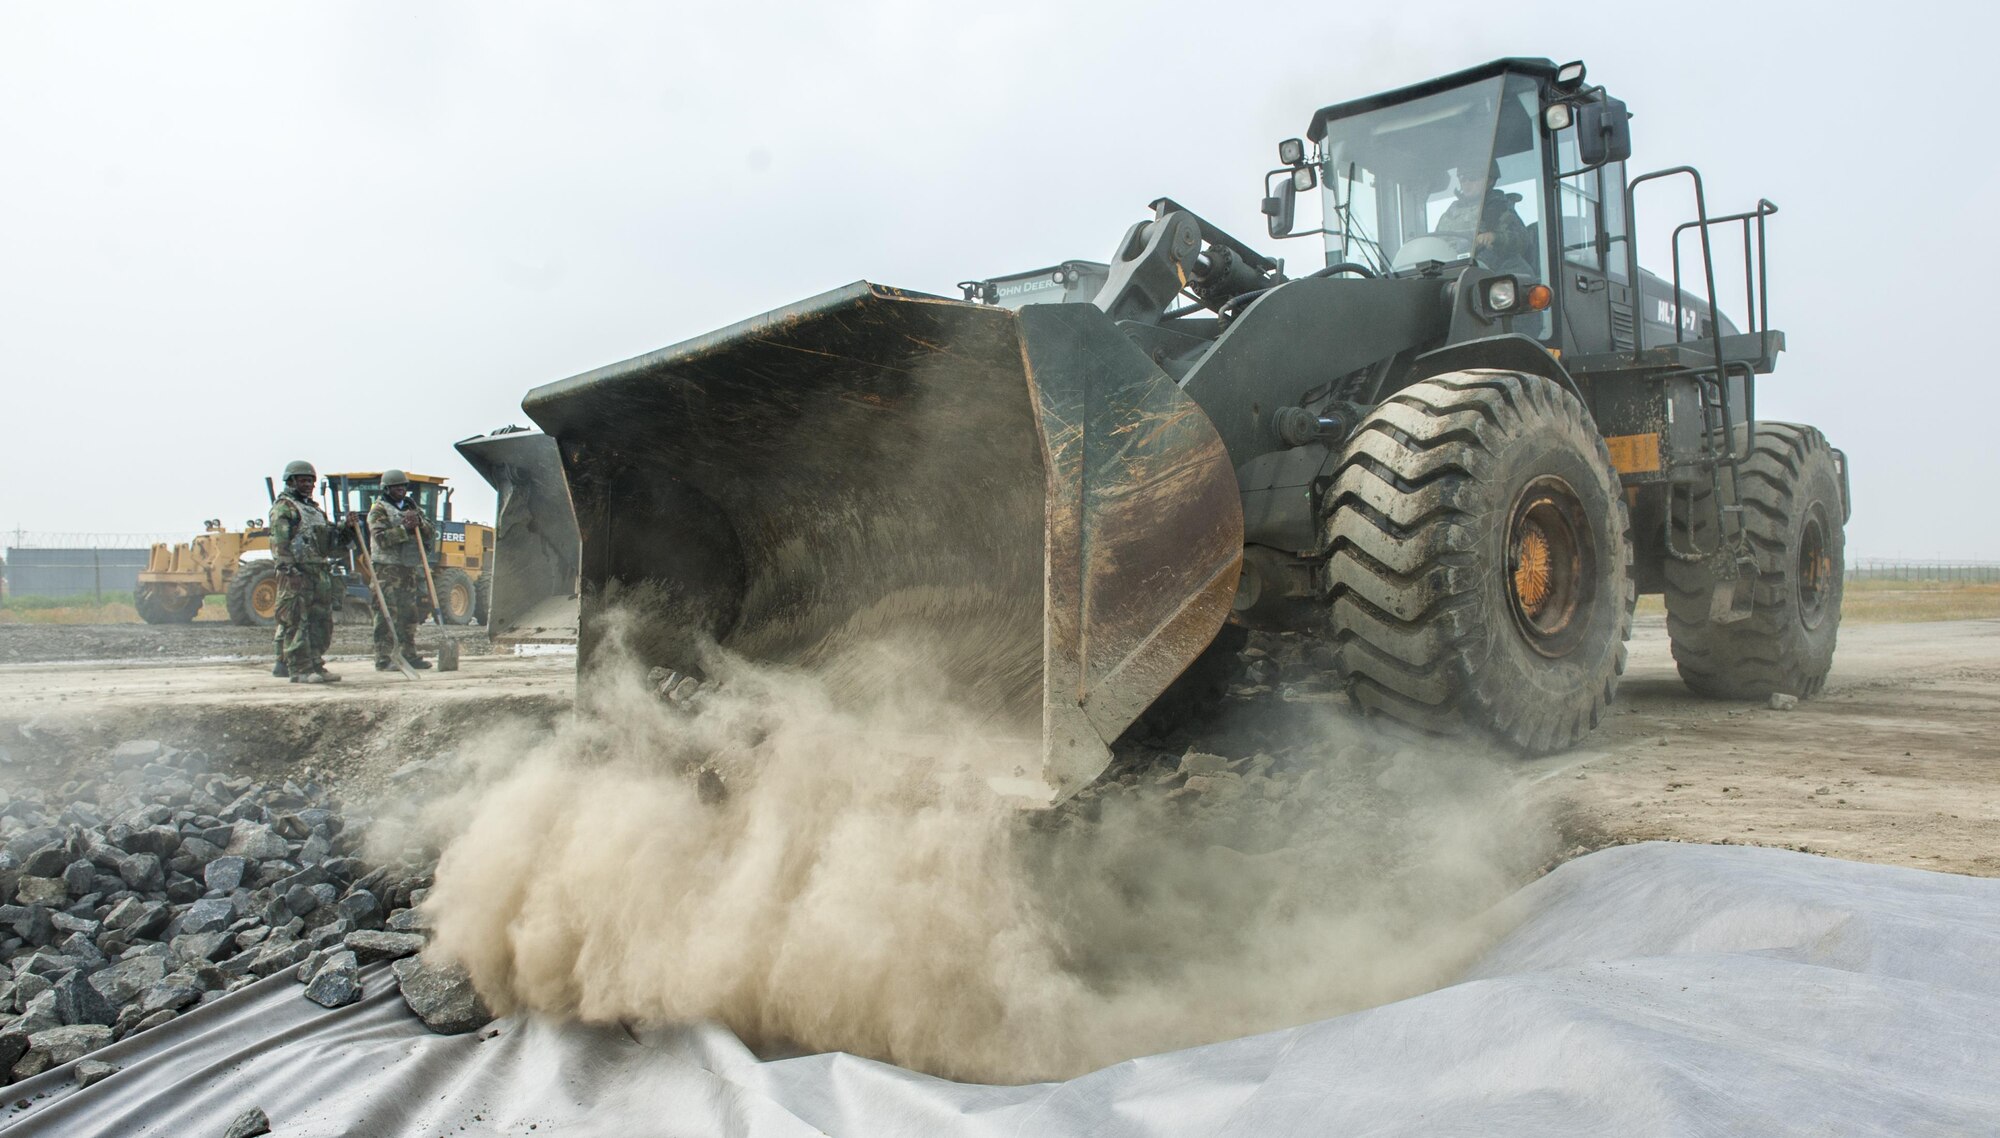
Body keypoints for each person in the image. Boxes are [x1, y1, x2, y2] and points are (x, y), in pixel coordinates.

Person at [267, 460, 357, 684]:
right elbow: (280, 543)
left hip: (319, 571)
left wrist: (346, 529)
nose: (308, 485)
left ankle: (316, 663)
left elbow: (329, 543)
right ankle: (300, 668)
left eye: (311, 481)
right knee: (297, 621)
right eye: (303, 480)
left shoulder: (315, 511)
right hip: (297, 573)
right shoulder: (284, 508)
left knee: (321, 621)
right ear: (291, 482)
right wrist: (289, 571)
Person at [366, 469, 438, 671]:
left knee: (409, 614)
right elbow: (381, 539)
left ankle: (409, 654)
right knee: (387, 614)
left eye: (403, 486)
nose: (401, 490)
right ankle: (384, 657)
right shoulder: (378, 510)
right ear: (387, 488)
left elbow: (431, 532)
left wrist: (420, 523)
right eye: (396, 486)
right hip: (386, 570)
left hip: (408, 569)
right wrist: (404, 528)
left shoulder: (411, 507)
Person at [1434, 159, 1534, 270]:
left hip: (1489, 275)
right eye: (1462, 178)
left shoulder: (1498, 208)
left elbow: (1522, 240)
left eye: (1472, 178)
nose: (1466, 183)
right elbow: (1435, 244)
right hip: (1451, 273)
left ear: (1489, 180)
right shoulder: (1450, 213)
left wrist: (1494, 237)